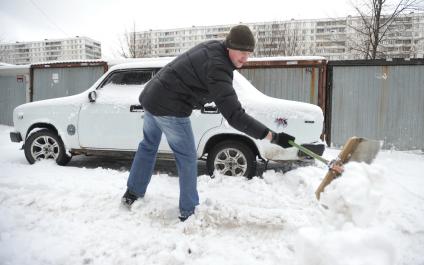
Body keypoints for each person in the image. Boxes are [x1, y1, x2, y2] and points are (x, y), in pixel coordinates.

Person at [121, 25, 295, 221]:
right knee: (186, 157)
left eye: (249, 53)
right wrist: (273, 136)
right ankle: (188, 212)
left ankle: (132, 194)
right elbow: (235, 115)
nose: (245, 58)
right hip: (170, 107)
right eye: (242, 52)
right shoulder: (219, 67)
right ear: (229, 46)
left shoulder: (214, 48)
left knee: (148, 146)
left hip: (152, 96)